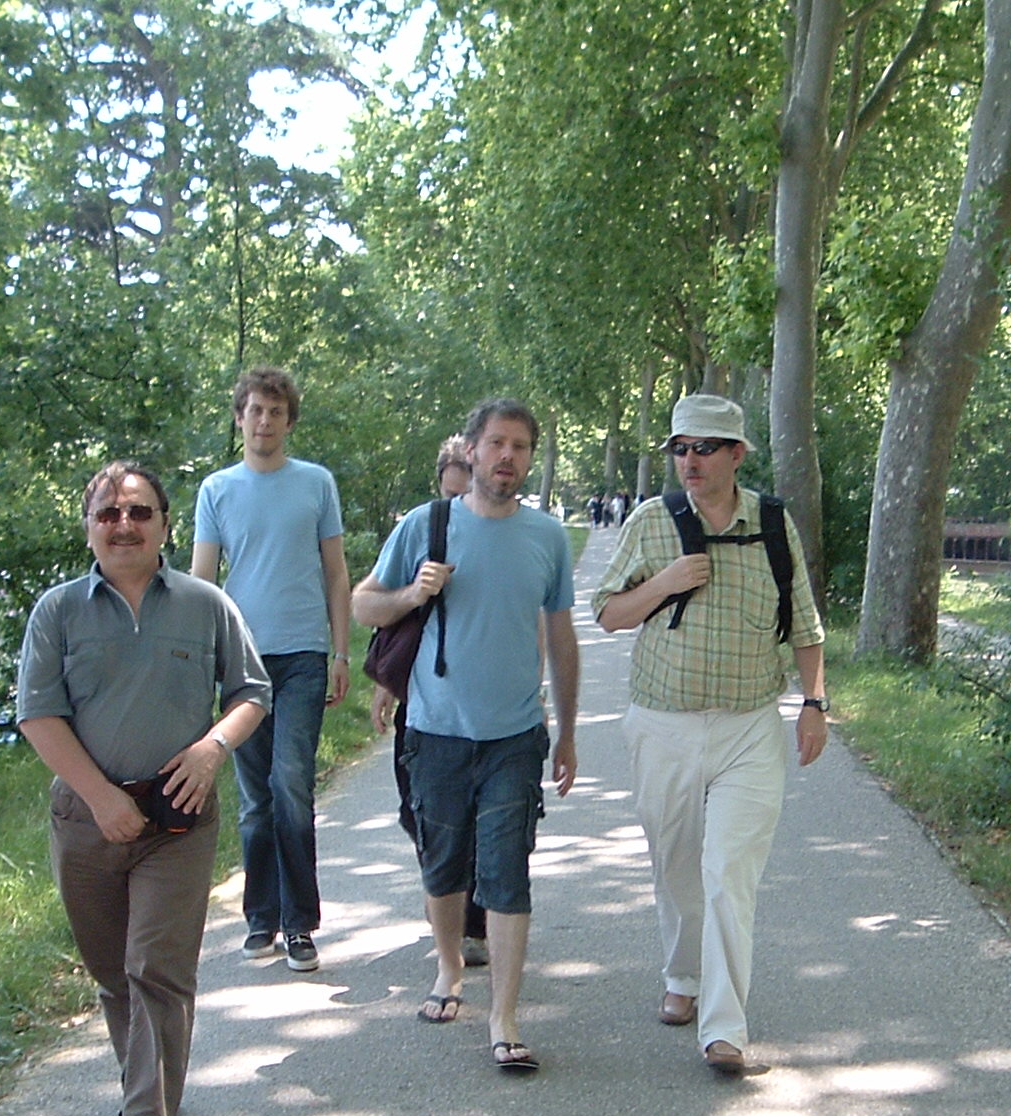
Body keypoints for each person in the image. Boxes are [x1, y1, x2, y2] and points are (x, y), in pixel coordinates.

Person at [18, 462, 271, 1116]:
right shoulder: (57, 612)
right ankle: (153, 1090)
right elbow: (37, 714)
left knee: (154, 966)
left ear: (164, 525)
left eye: (138, 512)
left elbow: (252, 692)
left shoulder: (205, 604)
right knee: (113, 975)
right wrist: (101, 797)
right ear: (89, 529)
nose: (123, 525)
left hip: (177, 817)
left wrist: (214, 749)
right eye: (108, 514)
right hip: (85, 818)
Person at [592, 394, 828, 1076]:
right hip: (662, 724)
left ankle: (724, 1028)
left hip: (749, 727)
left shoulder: (774, 523)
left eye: (704, 448)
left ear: (736, 454)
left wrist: (814, 702)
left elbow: (804, 624)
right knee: (675, 865)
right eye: (680, 448)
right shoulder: (652, 521)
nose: (689, 461)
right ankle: (682, 976)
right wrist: (665, 583)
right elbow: (608, 613)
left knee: (729, 873)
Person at [352, 398, 579, 1071]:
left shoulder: (547, 538)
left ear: (529, 460)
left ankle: (505, 1016)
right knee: (443, 864)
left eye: (520, 447)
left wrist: (567, 731)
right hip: (436, 731)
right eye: (497, 443)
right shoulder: (426, 525)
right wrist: (411, 595)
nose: (508, 456)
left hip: (515, 735)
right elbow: (364, 602)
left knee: (507, 871)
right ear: (473, 451)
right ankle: (449, 968)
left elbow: (562, 638)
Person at [192, 366, 351, 974]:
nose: (265, 421)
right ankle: (261, 917)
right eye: (255, 410)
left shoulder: (315, 483)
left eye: (276, 412)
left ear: (289, 421)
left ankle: (299, 922)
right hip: (242, 661)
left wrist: (341, 653)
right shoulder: (217, 490)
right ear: (240, 418)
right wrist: (196, 664)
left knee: (291, 783)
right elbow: (202, 583)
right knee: (256, 797)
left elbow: (336, 572)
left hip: (304, 654)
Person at [370, 436, 491, 968]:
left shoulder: (502, 531)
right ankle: (444, 886)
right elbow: (382, 610)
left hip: (486, 703)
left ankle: (474, 924)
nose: (460, 491)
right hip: (423, 696)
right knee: (417, 809)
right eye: (452, 484)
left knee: (482, 814)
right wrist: (385, 682)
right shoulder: (424, 528)